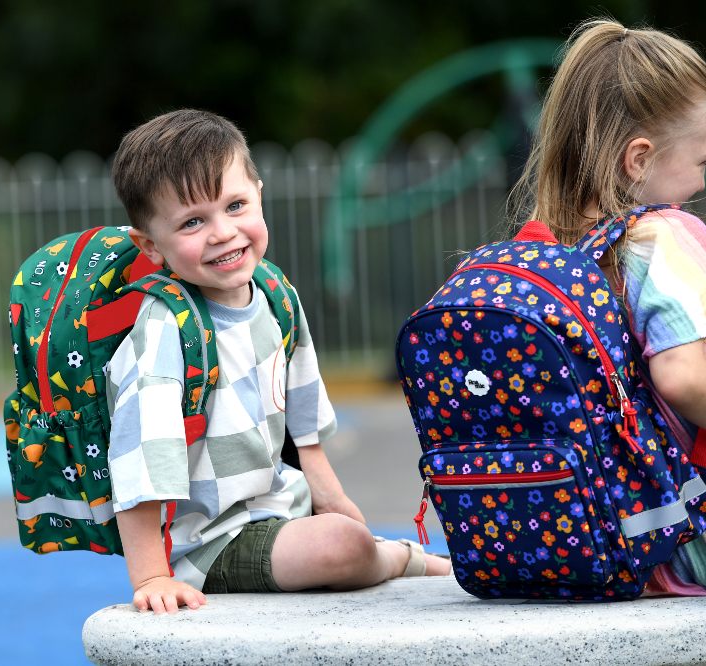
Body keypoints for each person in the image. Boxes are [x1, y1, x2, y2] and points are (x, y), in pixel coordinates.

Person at [105, 109, 451, 613]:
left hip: (282, 509)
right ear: (150, 246)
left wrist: (330, 499)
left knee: (342, 536)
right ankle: (397, 558)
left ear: (259, 194)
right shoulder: (164, 330)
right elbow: (143, 458)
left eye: (236, 205)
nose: (223, 232)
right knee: (341, 548)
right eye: (193, 221)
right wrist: (152, 576)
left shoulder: (274, 294)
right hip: (211, 542)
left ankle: (376, 552)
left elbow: (302, 417)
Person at [508, 18, 706, 595]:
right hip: (681, 539)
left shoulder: (539, 252)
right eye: (702, 164)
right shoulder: (660, 235)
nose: (701, 182)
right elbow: (684, 376)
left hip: (582, 542)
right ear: (639, 159)